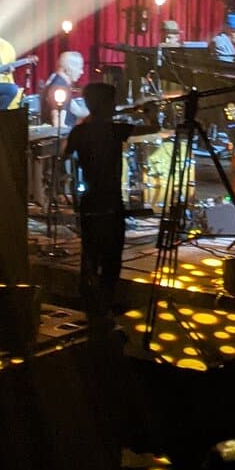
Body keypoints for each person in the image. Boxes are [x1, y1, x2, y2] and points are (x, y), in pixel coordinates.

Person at [64, 81, 153, 318]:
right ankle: (105, 307)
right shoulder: (116, 129)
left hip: (89, 202)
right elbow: (153, 128)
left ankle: (89, 307)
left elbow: (65, 155)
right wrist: (148, 112)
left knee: (90, 256)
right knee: (112, 260)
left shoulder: (80, 131)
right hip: (112, 203)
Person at [41, 50, 90, 131]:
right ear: (70, 68)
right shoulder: (60, 87)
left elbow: (77, 111)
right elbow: (58, 124)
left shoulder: (56, 80)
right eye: (80, 68)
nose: (82, 72)